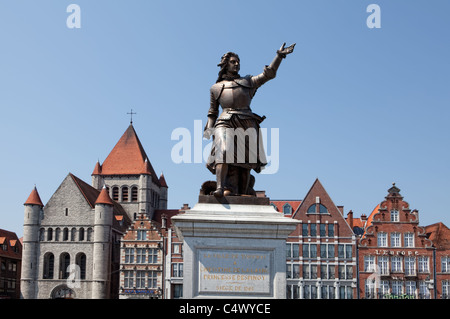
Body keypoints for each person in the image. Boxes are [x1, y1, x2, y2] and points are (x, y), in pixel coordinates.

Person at [204, 43, 295, 198]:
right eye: (233, 62)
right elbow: (213, 112)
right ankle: (220, 187)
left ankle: (243, 190)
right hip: (224, 120)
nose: (237, 64)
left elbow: (268, 74)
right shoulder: (215, 88)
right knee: (223, 150)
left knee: (246, 160)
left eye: (238, 61)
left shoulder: (248, 82)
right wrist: (209, 130)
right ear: (226, 65)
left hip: (246, 121)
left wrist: (279, 56)